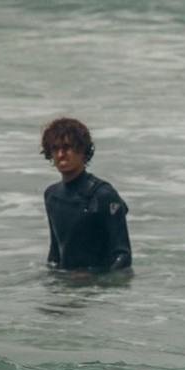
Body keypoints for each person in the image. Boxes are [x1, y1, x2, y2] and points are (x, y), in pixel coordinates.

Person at [40, 117, 132, 275]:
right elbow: (55, 253)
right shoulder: (52, 195)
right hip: (66, 288)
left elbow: (124, 256)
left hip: (98, 291)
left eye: (67, 147)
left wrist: (94, 278)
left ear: (82, 150)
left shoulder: (103, 194)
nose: (61, 154)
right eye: (55, 148)